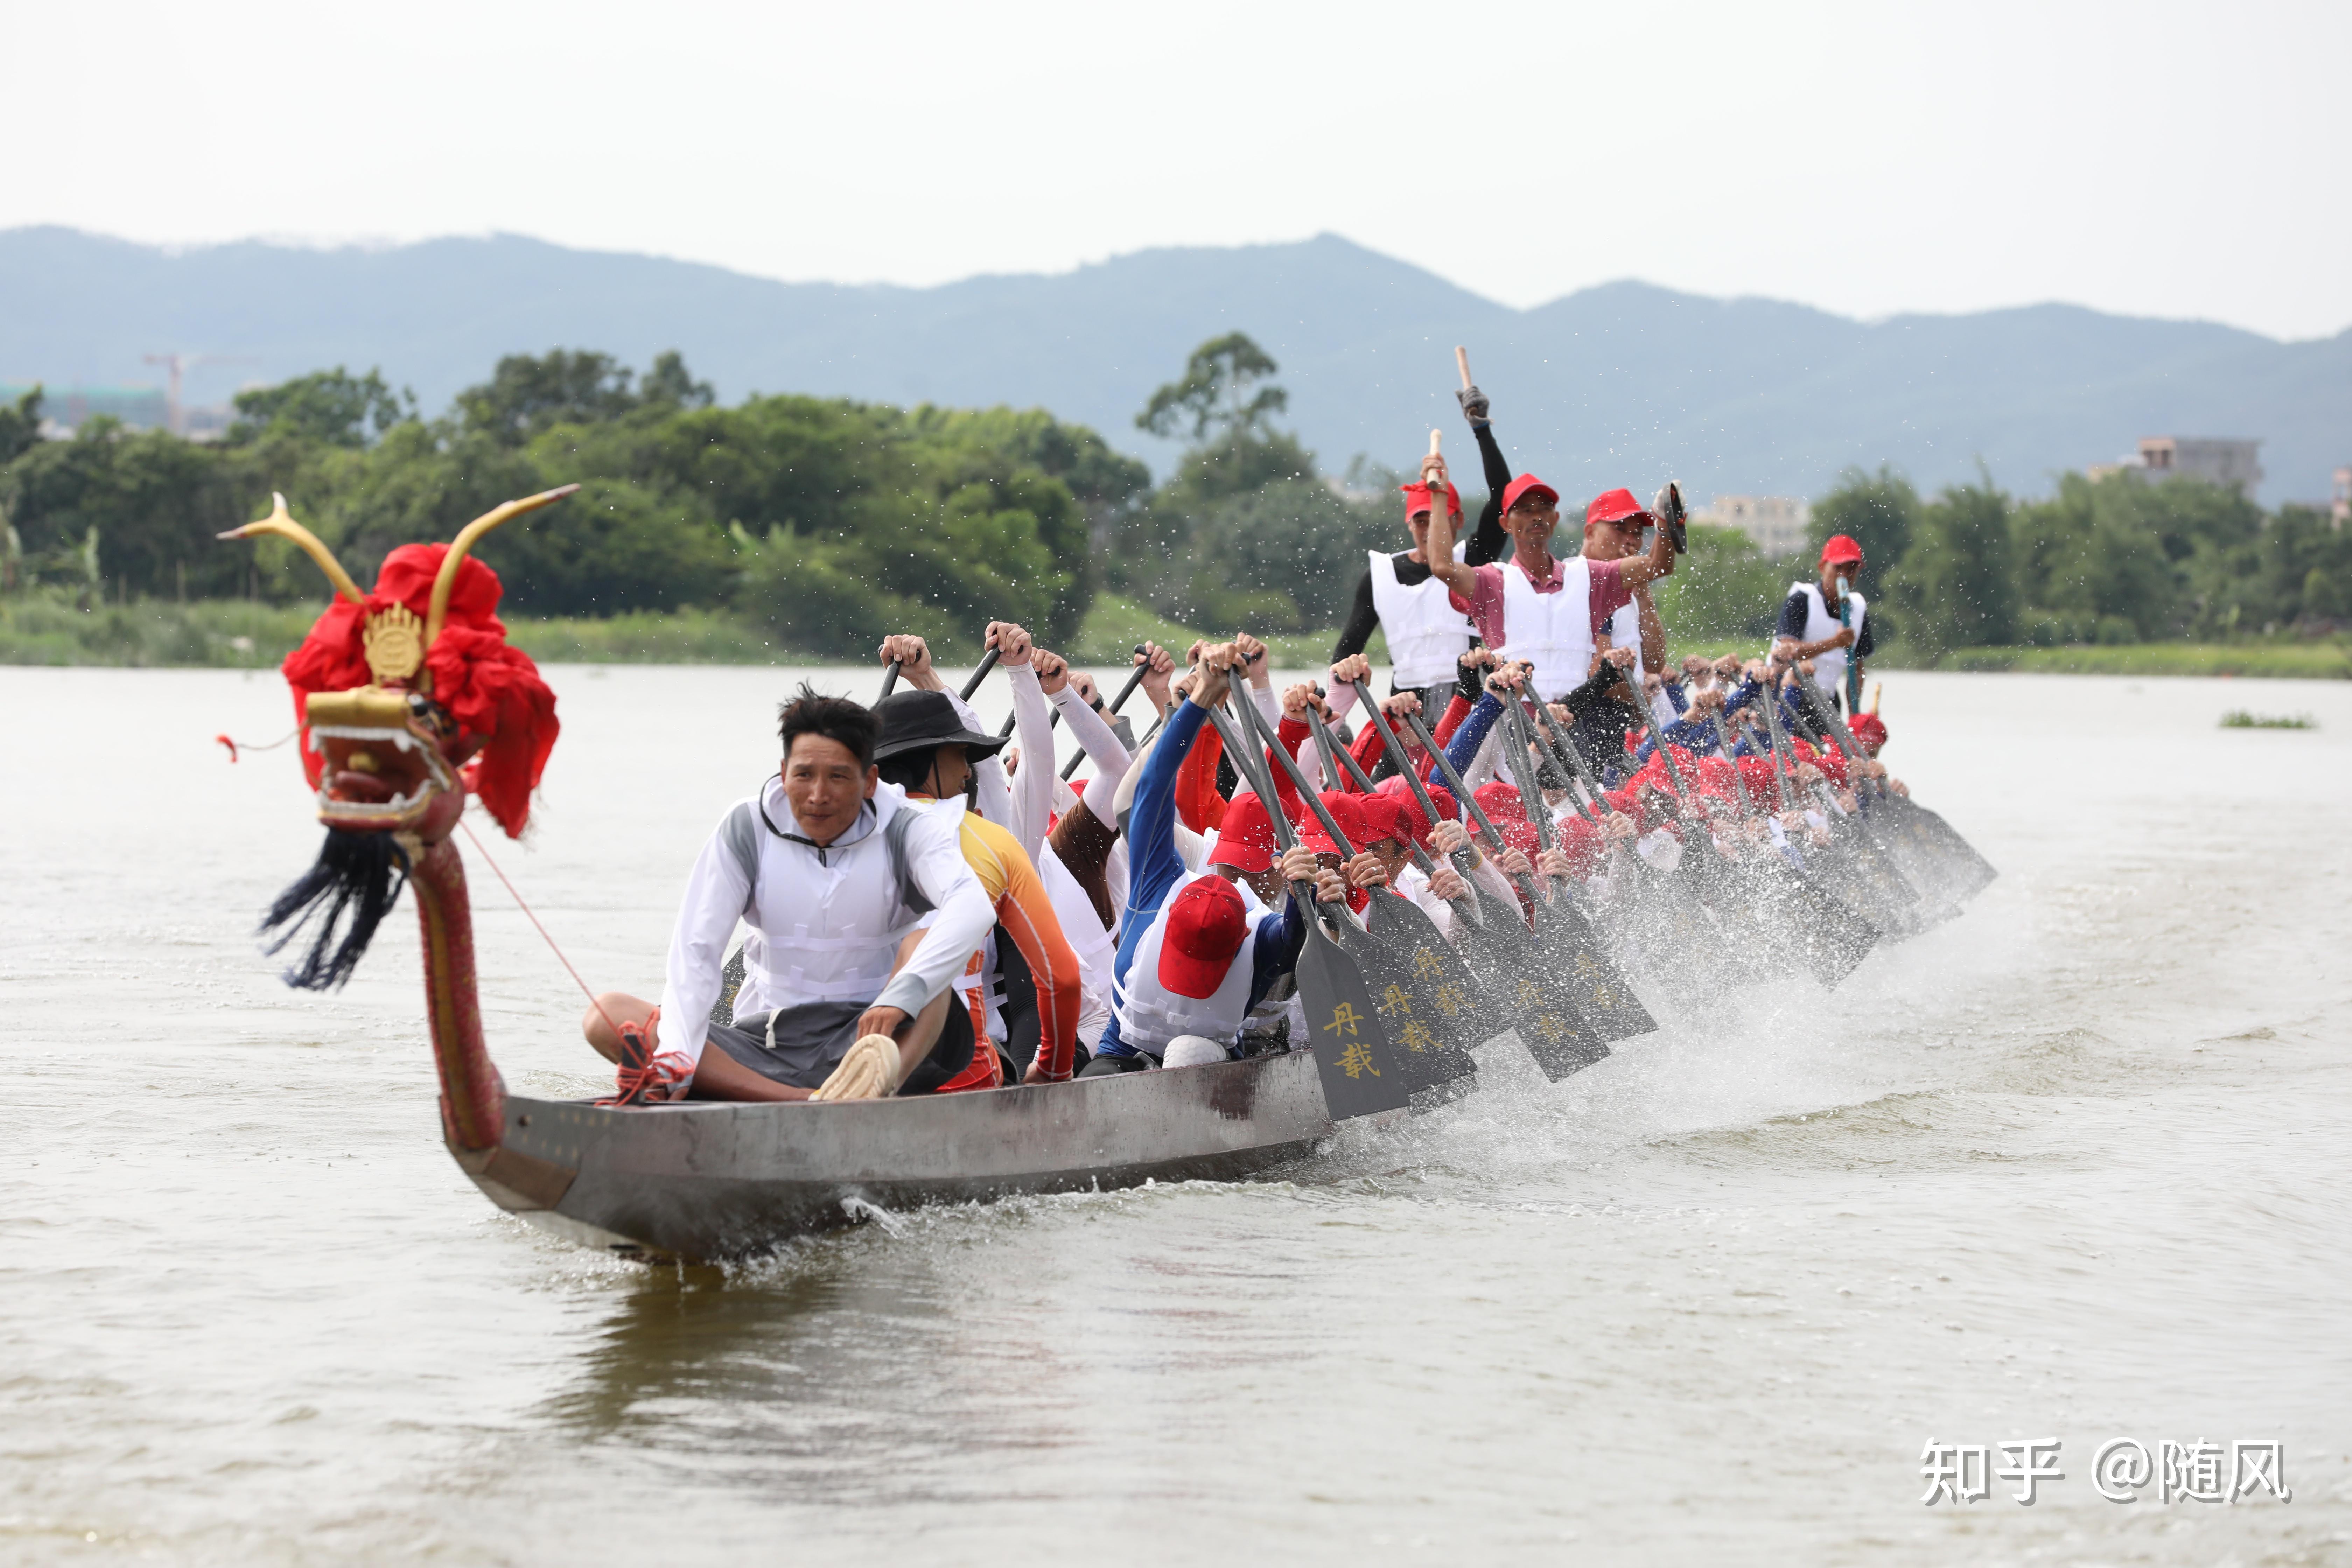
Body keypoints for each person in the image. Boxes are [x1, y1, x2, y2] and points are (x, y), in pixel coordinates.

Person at [585, 685, 995, 1104]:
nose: (818, 796)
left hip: (873, 1040)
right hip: (764, 1042)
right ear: (783, 774)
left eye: (838, 776)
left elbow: (972, 907)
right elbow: (697, 952)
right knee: (606, 1015)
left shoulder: (908, 828)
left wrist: (902, 995)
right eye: (804, 775)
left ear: (870, 781)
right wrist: (676, 1055)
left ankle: (874, 1095)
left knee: (929, 960)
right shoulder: (746, 827)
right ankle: (802, 1101)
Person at [1088, 643, 1334, 1073]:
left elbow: (1297, 936)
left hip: (1222, 1058)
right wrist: (1199, 699)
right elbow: (1149, 787)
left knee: (1192, 1055)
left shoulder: (1259, 936)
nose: (1240, 874)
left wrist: (1304, 892)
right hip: (1122, 1052)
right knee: (1106, 1075)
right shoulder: (1158, 887)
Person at [867, 686, 1084, 1085]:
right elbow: (1062, 978)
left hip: (850, 1063)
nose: (969, 772)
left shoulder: (834, 835)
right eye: (960, 756)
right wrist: (1054, 1069)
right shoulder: (992, 841)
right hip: (961, 1072)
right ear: (931, 760)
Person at [1419, 450, 1680, 702]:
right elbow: (1442, 567)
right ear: (1506, 525)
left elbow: (1658, 566)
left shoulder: (1590, 576)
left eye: (1544, 509)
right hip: (1515, 723)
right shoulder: (1492, 581)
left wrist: (1665, 523)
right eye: (1525, 510)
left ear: (1555, 520)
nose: (1536, 517)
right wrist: (1440, 495)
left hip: (1574, 720)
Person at [1329, 383, 1514, 704]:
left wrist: (1482, 429)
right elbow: (1347, 651)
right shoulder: (1379, 576)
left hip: (1468, 696)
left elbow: (1503, 497)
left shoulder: (1472, 561)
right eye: (1421, 521)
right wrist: (1335, 712)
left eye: (1438, 519)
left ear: (1456, 521)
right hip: (1406, 707)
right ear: (1409, 524)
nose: (1430, 531)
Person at [1773, 535, 1874, 712]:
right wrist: (1835, 643)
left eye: (1851, 569)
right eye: (1838, 568)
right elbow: (1788, 652)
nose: (1844, 576)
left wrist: (1854, 716)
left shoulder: (1858, 608)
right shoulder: (1801, 599)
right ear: (1822, 568)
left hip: (1826, 700)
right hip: (1785, 696)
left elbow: (1857, 671)